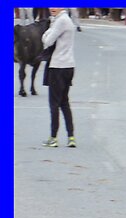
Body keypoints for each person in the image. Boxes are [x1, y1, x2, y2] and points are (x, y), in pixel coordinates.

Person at [41, 8, 76, 148]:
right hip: (69, 65)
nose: (52, 8)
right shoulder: (68, 20)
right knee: (64, 103)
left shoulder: (60, 21)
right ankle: (71, 136)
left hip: (58, 66)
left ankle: (53, 137)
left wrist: (48, 30)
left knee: (54, 104)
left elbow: (47, 41)